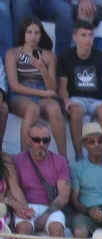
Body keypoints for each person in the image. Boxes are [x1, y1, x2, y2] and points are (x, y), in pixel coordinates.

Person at [13, 117, 72, 239]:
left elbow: (64, 196)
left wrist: (45, 216)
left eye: (45, 140)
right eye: (36, 139)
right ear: (28, 139)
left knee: (57, 229)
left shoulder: (60, 161)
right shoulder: (16, 160)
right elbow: (13, 188)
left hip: (50, 206)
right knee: (23, 229)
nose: (41, 144)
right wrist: (24, 208)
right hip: (26, 205)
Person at [8, 17, 68, 157]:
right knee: (32, 109)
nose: (33, 36)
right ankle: (24, 158)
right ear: (23, 33)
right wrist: (43, 94)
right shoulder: (13, 54)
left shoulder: (49, 56)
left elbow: (52, 87)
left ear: (41, 35)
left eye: (36, 32)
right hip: (22, 93)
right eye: (29, 32)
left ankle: (63, 158)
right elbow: (14, 86)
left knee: (54, 108)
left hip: (43, 90)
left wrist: (42, 69)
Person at [57, 20, 102, 159]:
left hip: (97, 99)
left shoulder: (100, 56)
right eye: (83, 35)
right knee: (75, 111)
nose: (88, 39)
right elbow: (62, 87)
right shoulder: (65, 56)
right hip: (76, 98)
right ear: (74, 37)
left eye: (90, 35)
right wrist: (66, 102)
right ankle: (79, 156)